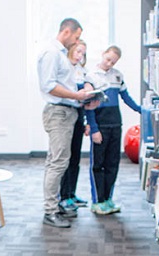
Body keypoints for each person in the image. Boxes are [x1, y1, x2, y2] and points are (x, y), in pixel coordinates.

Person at [37, 17, 96, 228]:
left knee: (60, 160)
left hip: (67, 112)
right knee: (57, 162)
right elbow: (48, 85)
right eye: (77, 37)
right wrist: (75, 95)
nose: (77, 41)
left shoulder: (62, 55)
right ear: (67, 32)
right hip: (59, 112)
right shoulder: (52, 53)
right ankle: (50, 211)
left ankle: (57, 205)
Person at [85, 45, 142, 215]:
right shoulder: (91, 76)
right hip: (100, 127)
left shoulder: (118, 76)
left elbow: (126, 98)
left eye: (113, 61)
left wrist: (141, 110)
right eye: (108, 59)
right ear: (103, 54)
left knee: (112, 164)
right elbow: (89, 107)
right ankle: (97, 201)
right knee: (98, 164)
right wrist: (94, 129)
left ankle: (107, 199)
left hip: (115, 125)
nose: (109, 63)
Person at [59, 39, 91, 213]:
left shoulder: (82, 70)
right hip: (66, 113)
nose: (80, 56)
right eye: (78, 51)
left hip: (79, 114)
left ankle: (71, 194)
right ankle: (63, 196)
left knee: (75, 158)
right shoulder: (64, 68)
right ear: (70, 49)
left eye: (83, 53)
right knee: (65, 157)